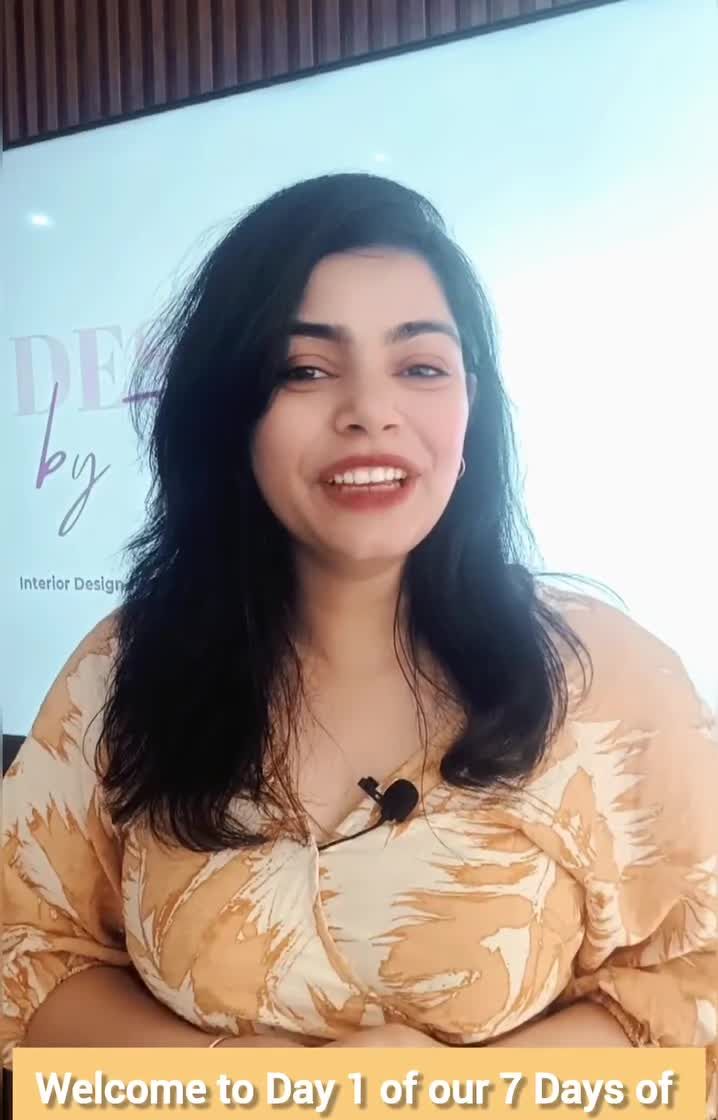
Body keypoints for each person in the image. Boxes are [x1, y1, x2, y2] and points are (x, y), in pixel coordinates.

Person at [2, 175, 716, 1113]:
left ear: (471, 407)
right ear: (230, 412)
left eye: (420, 367)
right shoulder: (121, 672)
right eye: (305, 369)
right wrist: (261, 1089)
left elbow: (695, 988)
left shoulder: (608, 680)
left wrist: (444, 1094)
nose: (370, 411)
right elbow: (27, 955)